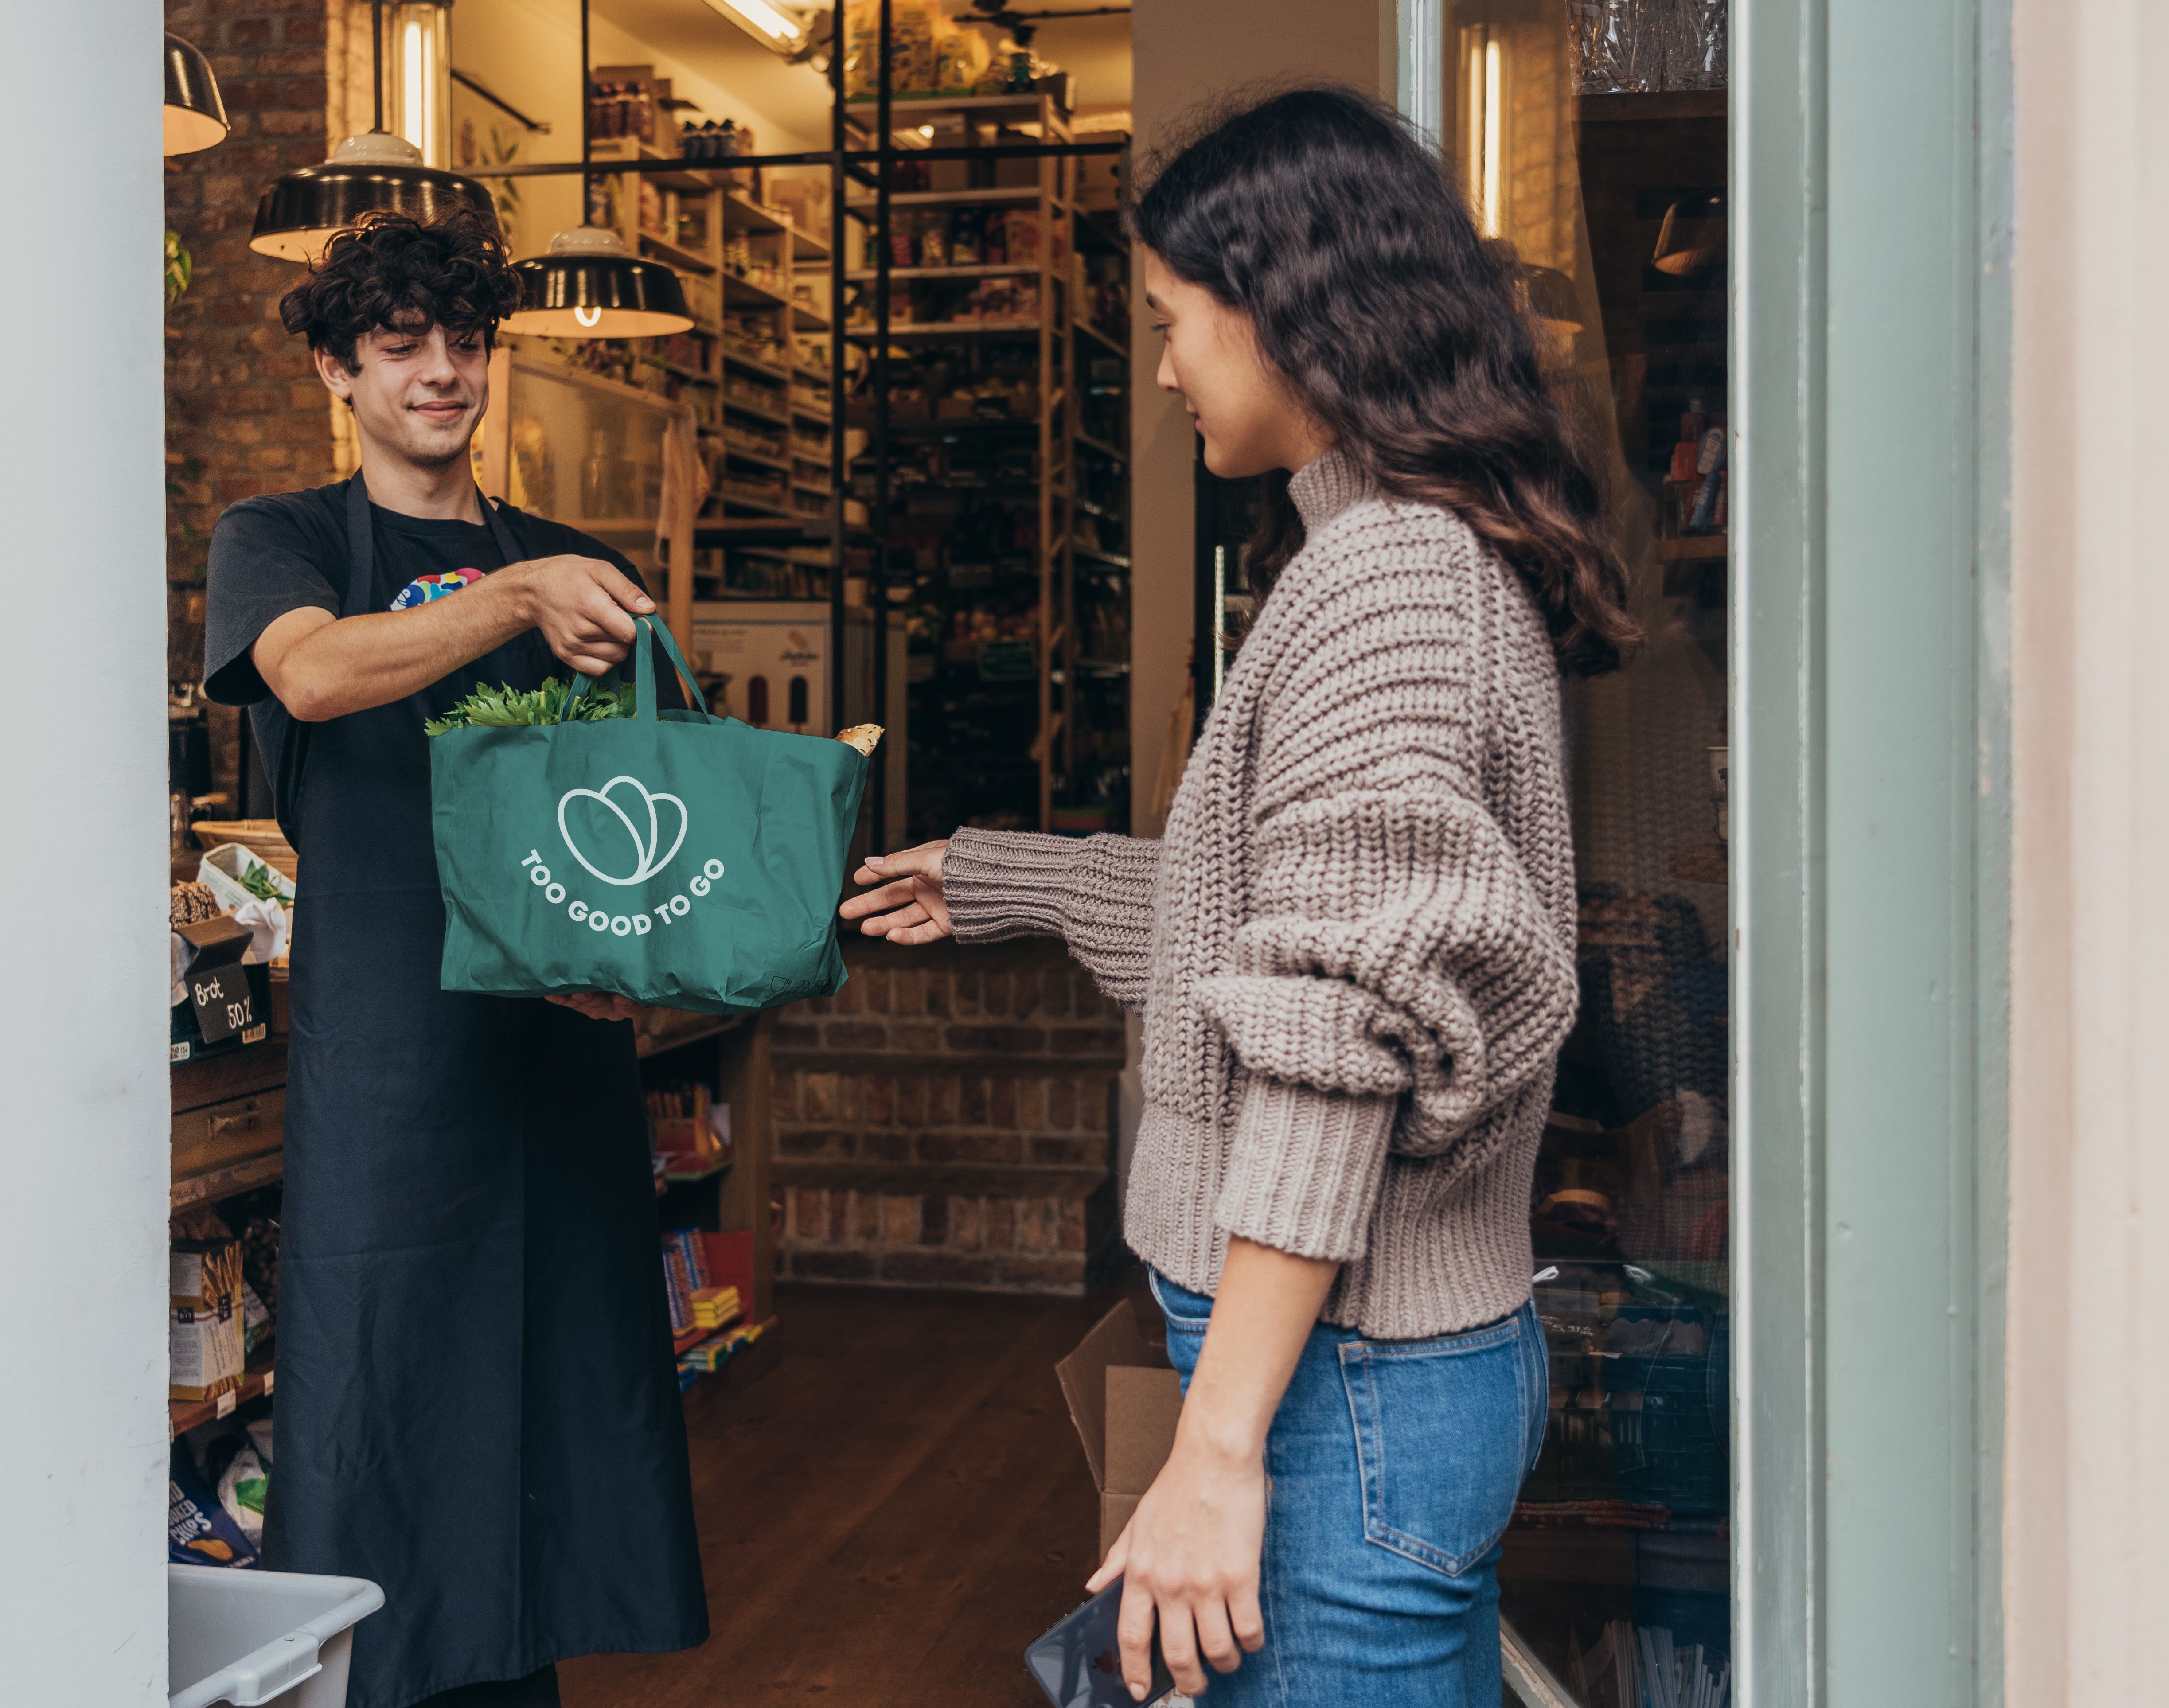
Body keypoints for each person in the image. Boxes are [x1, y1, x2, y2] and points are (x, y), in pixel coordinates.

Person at [841, 86, 1639, 1704]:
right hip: (1363, 1382)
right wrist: (1010, 878)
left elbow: (1340, 1025)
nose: (1161, 368)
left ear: (1288, 317)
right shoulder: (1396, 560)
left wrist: (1214, 1448)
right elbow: (1273, 919)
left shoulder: (1387, 584)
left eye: (1171, 320)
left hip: (1336, 1382)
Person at [202, 210, 706, 1708]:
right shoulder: (279, 540)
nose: (442, 372)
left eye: (466, 342)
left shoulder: (578, 566)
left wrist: (656, 960)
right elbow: (309, 669)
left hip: (557, 1054)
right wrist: (508, 604)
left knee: (547, 1398)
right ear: (338, 370)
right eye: (403, 345)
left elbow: (648, 809)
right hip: (389, 1054)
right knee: (381, 1390)